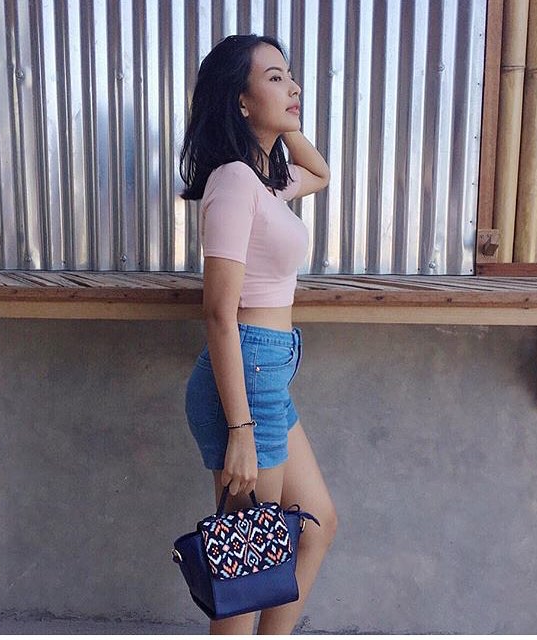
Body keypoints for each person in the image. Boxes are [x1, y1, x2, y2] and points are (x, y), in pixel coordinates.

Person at [181, 34, 338, 635]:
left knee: (316, 522)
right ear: (239, 100)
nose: (293, 86)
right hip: (246, 372)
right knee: (247, 568)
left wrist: (282, 122)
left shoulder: (265, 181)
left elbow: (319, 172)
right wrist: (240, 430)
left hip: (269, 369)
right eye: (274, 77)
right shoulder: (233, 182)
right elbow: (219, 313)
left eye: (290, 75)